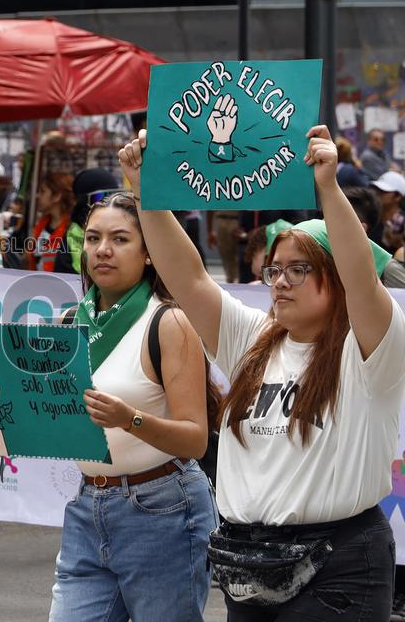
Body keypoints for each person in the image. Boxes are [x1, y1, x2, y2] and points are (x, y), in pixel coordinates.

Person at [122, 126, 405, 621]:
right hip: (246, 563)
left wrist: (328, 189)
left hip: (339, 566)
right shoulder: (253, 338)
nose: (280, 282)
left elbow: (362, 276)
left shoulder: (372, 347)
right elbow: (188, 277)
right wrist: (148, 192)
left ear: (336, 278)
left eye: (299, 269)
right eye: (274, 269)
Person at [0, 193, 218, 622]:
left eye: (120, 239)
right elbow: (38, 422)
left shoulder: (169, 322)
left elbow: (196, 440)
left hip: (164, 507)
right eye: (93, 238)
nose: (103, 249)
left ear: (149, 253)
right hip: (88, 506)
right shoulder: (72, 322)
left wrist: (130, 419)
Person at [53, 167, 121, 273]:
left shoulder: (125, 232)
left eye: (116, 198)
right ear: (84, 202)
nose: (110, 205)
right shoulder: (72, 240)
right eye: (102, 198)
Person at [27, 172, 76, 272]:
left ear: (57, 196)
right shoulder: (41, 225)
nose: (37, 195)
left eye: (42, 191)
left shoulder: (72, 230)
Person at [371, 171, 405, 253]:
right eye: (376, 188)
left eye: (383, 191)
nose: (377, 193)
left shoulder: (402, 224)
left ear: (397, 196)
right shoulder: (369, 213)